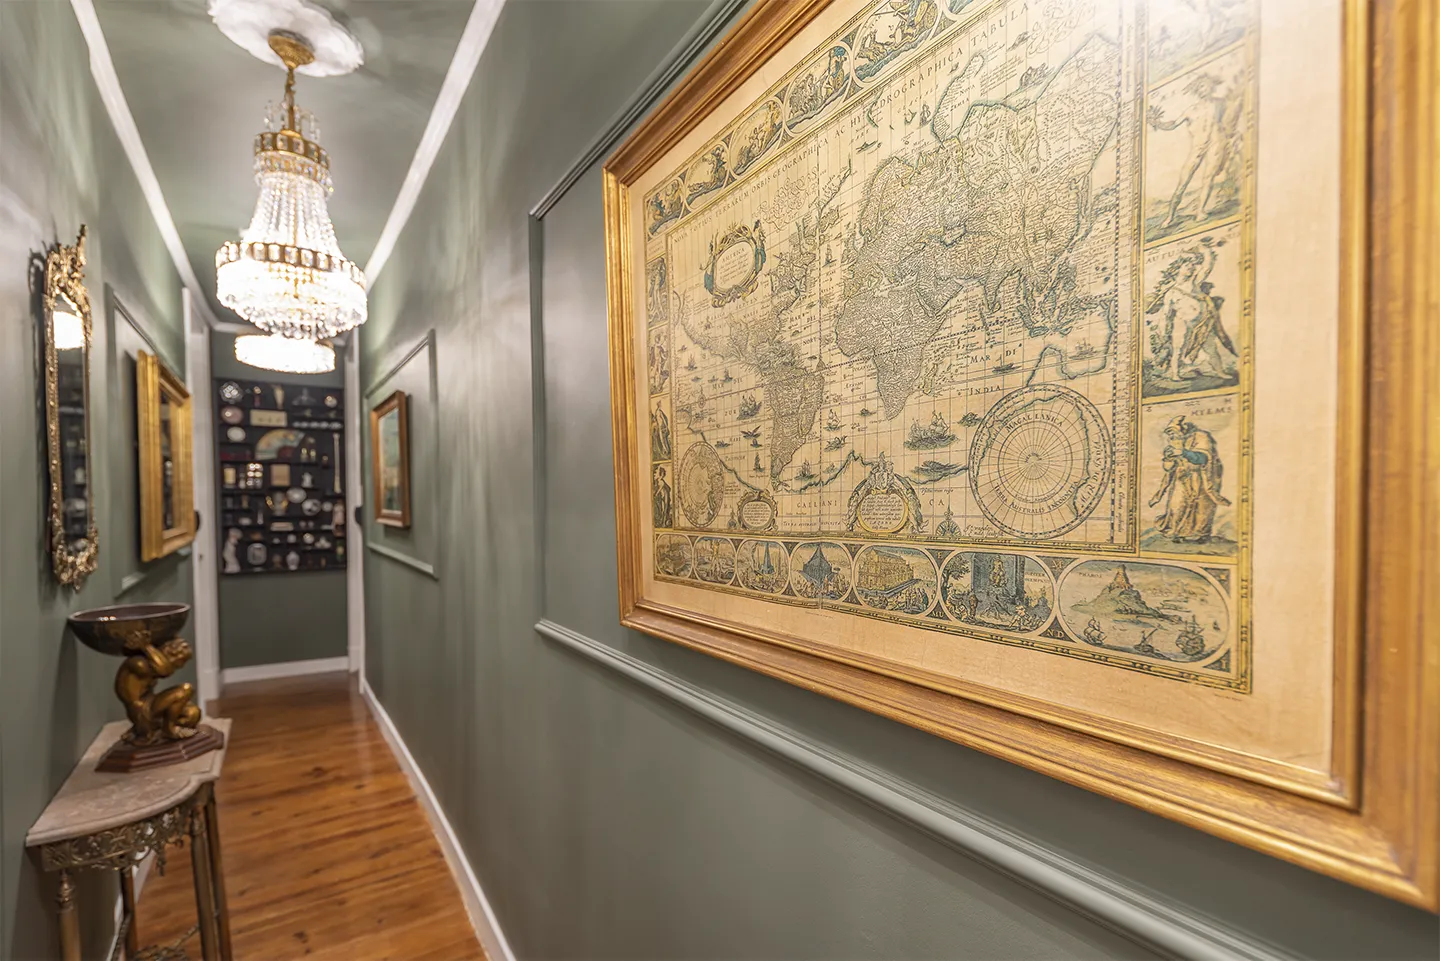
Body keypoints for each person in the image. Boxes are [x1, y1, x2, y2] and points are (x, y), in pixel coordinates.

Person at [1146, 72, 1243, 229]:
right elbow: (1173, 124)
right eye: (1202, 86)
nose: (1205, 89)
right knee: (1183, 182)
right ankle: (1170, 216)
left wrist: (1233, 134)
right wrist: (1158, 123)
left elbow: (1231, 117)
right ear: (1198, 89)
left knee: (1208, 178)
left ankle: (1200, 211)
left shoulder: (1219, 103)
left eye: (1207, 85)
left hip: (1216, 143)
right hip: (1198, 146)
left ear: (1211, 87)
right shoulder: (1191, 110)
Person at [1146, 239, 1237, 381]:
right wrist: (1165, 332)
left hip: (1202, 323)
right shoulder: (1171, 292)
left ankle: (1220, 372)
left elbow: (1207, 267)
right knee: (1179, 349)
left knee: (1211, 348)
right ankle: (1175, 374)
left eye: (1192, 265)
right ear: (1177, 269)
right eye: (1187, 265)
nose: (1191, 267)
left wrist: (1205, 250)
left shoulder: (1194, 282)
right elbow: (1166, 315)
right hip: (1183, 324)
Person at [1148, 415, 1230, 542]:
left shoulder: (1201, 436)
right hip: (1181, 477)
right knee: (1176, 505)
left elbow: (1204, 458)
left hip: (1200, 477)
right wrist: (1169, 459)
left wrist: (1184, 453)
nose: (1172, 437)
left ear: (1182, 429)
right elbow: (1168, 468)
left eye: (1174, 433)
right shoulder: (1173, 442)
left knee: (1201, 508)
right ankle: (1178, 533)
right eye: (1170, 434)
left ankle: (1202, 535)